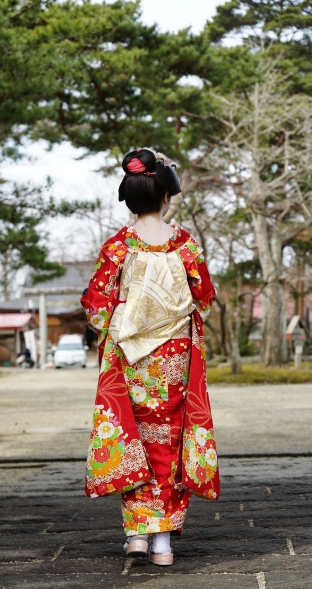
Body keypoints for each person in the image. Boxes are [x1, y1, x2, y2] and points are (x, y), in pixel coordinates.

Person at [81, 148, 219, 567]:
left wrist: (126, 318)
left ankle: (137, 534)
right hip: (174, 356)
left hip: (131, 357)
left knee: (134, 439)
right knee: (169, 442)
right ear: (165, 197)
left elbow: (97, 307)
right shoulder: (184, 245)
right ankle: (162, 544)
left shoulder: (118, 246)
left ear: (129, 198)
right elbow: (205, 298)